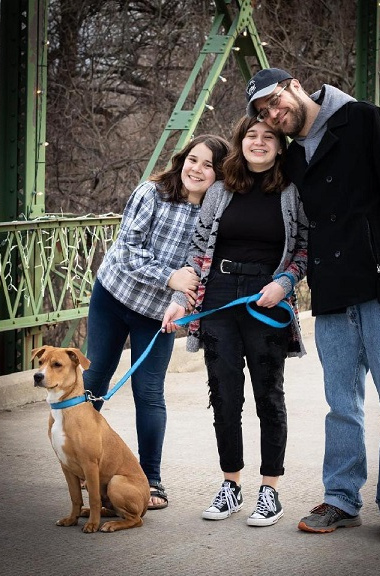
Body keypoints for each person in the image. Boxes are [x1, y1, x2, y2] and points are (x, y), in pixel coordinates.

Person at [244, 67, 380, 540]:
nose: (273, 114)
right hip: (332, 293)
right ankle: (341, 499)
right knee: (341, 403)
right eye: (263, 112)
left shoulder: (364, 120)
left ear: (292, 86)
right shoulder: (292, 159)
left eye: (274, 101)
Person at [162, 115, 309, 527]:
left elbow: (303, 249)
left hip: (267, 299)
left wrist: (285, 281)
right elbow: (196, 252)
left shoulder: (292, 193)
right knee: (224, 395)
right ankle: (231, 485)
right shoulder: (220, 191)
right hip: (220, 297)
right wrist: (180, 301)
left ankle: (270, 490)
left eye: (268, 137)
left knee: (269, 396)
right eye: (251, 136)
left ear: (280, 146)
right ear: (240, 142)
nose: (258, 142)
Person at [83, 134, 230, 510]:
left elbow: (201, 270)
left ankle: (150, 479)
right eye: (192, 160)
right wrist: (170, 278)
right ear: (182, 160)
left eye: (208, 165)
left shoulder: (215, 217)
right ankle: (84, 466)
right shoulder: (151, 193)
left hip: (158, 314)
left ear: (220, 174)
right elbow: (129, 249)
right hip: (113, 296)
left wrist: (181, 298)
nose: (196, 169)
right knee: (96, 377)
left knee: (148, 393)